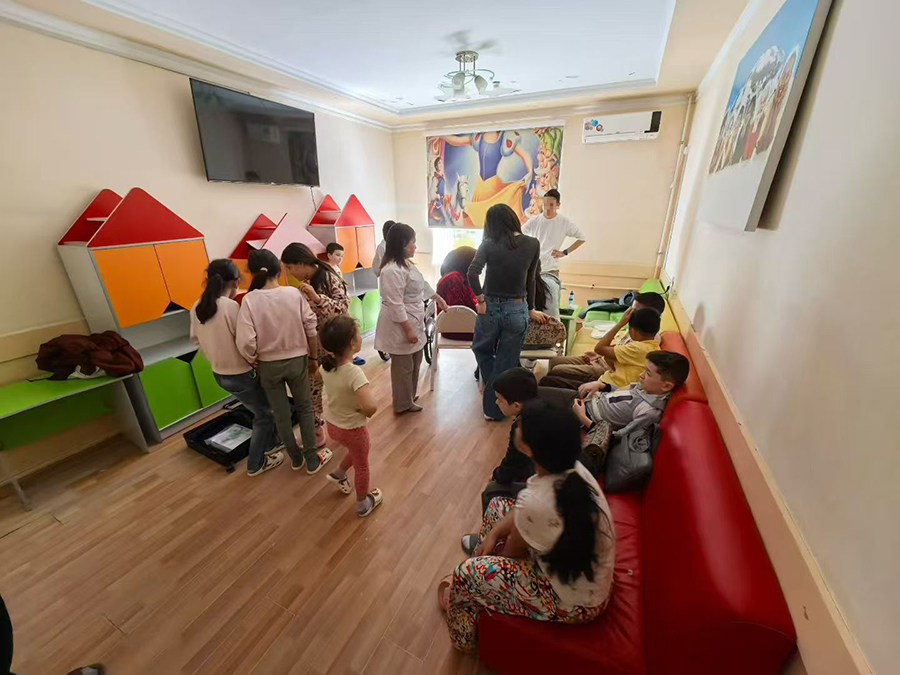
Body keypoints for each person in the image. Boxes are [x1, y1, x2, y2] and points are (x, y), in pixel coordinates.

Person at [439, 400, 615, 653]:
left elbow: (514, 550)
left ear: (529, 447)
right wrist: (494, 534)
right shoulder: (570, 468)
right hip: (578, 570)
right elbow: (524, 507)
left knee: (465, 574)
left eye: (523, 426)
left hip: (576, 601)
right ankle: (482, 559)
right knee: (497, 504)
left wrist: (486, 566)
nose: (518, 426)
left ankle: (463, 638)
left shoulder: (540, 500)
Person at [236, 249, 333, 474]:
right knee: (305, 409)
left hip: (268, 365)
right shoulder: (293, 294)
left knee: (281, 415)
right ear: (279, 269)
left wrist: (255, 361)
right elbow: (311, 327)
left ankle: (296, 459)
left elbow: (246, 341)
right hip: (298, 360)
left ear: (253, 273)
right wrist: (313, 357)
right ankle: (312, 460)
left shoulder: (249, 300)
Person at [190, 259, 284, 476]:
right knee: (264, 415)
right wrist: (254, 361)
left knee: (260, 408)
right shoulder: (230, 307)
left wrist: (216, 355)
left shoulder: (196, 307)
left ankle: (273, 443)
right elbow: (246, 342)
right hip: (241, 374)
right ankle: (256, 464)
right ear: (235, 282)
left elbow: (196, 340)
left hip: (219, 373)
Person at [467, 203, 548, 421]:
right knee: (506, 361)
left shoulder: (488, 244)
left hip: (490, 307)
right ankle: (497, 408)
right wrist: (531, 308)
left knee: (480, 349)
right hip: (517, 308)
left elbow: (472, 273)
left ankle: (494, 406)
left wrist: (480, 299)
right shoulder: (532, 243)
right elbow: (531, 279)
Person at [460, 367, 539, 555]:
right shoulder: (540, 410)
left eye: (499, 399)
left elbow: (513, 463)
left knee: (492, 490)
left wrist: (496, 475)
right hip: (537, 471)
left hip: (535, 477)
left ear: (516, 406)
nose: (496, 402)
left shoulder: (522, 428)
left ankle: (486, 544)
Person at [281, 242, 350, 450]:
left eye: (290, 268)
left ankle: (347, 425)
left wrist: (317, 298)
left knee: (339, 386)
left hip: (334, 343)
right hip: (313, 346)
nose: (290, 273)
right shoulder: (306, 282)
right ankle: (317, 428)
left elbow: (343, 308)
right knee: (312, 389)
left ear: (301, 263)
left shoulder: (327, 276)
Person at [375, 223, 448, 413]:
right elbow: (395, 304)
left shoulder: (406, 264)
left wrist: (438, 299)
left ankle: (408, 396)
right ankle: (402, 403)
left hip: (414, 317)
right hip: (400, 324)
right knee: (403, 367)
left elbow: (422, 284)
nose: (415, 246)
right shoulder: (391, 270)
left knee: (415, 361)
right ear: (402, 244)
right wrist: (408, 330)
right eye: (413, 242)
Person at [319, 315, 383, 517]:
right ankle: (362, 504)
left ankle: (339, 473)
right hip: (353, 430)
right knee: (362, 465)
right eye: (358, 333)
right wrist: (362, 411)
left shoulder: (325, 366)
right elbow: (371, 407)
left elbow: (320, 378)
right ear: (352, 343)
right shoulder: (354, 373)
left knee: (356, 453)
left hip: (333, 426)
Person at [541, 351, 691, 435]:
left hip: (585, 416)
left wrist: (582, 418)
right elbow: (621, 395)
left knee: (535, 411)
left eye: (648, 373)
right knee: (540, 390)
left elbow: (616, 437)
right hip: (589, 400)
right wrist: (602, 385)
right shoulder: (648, 388)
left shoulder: (649, 412)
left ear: (666, 386)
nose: (641, 375)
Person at [541, 291, 666, 390]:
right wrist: (599, 355)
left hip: (606, 369)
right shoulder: (638, 327)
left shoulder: (646, 335)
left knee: (557, 371)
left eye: (635, 311)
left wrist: (620, 324)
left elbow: (618, 358)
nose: (630, 315)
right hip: (602, 359)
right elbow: (620, 349)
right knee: (554, 361)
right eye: (630, 310)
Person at [522, 189, 585, 320]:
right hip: (535, 268)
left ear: (558, 205)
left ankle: (554, 326)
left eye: (551, 205)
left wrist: (565, 252)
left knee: (552, 301)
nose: (547, 208)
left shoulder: (564, 221)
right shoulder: (535, 220)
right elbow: (520, 233)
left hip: (551, 269)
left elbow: (581, 238)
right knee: (533, 300)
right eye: (545, 204)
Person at [576, 307, 661, 397]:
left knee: (564, 379)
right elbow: (608, 357)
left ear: (633, 331)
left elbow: (599, 348)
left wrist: (620, 324)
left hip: (605, 392)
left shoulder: (638, 348)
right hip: (604, 385)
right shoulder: (651, 347)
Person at [435, 246, 477, 341]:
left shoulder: (457, 278)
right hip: (460, 330)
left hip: (458, 328)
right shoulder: (454, 279)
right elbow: (459, 310)